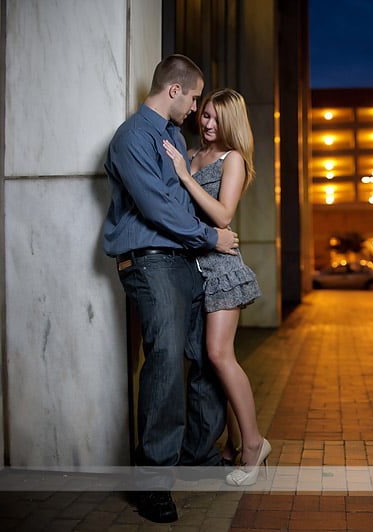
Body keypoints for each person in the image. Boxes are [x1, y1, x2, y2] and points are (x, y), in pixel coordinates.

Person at [102, 55, 240, 523]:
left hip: (184, 262)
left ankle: (197, 457)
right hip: (151, 263)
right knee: (163, 359)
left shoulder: (172, 138)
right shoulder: (133, 138)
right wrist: (212, 237)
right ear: (175, 91)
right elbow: (158, 208)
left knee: (204, 356)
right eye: (196, 97)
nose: (197, 107)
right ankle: (154, 482)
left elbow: (183, 201)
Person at [162, 87, 269, 486]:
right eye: (204, 115)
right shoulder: (189, 154)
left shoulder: (233, 159)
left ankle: (254, 445)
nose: (206, 124)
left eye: (215, 118)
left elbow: (223, 216)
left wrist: (186, 178)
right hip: (190, 268)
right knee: (207, 363)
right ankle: (234, 441)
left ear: (231, 122)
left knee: (219, 356)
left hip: (220, 267)